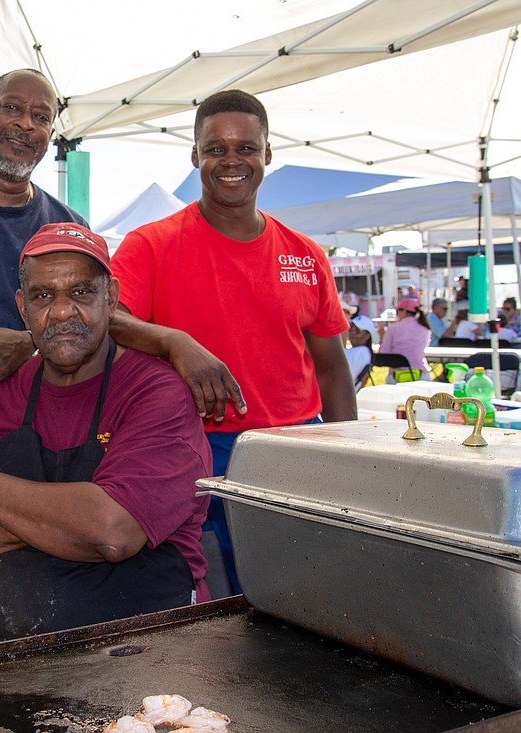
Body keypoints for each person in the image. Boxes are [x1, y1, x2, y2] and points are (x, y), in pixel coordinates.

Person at [0, 68, 240, 603]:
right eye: (12, 108)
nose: (25, 125)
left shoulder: (66, 223)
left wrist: (171, 341)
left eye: (41, 117)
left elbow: (92, 320)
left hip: (45, 447)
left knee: (52, 586)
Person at [0, 223, 211, 652]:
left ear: (113, 298)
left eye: (81, 292)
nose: (62, 311)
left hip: (138, 654)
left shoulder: (157, 394)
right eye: (43, 295)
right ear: (22, 308)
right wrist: (61, 526)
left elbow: (111, 532)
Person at [110, 89, 356, 597]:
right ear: (195, 156)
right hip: (191, 448)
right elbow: (106, 321)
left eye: (245, 148)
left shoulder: (305, 255)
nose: (231, 161)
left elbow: (332, 367)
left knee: (296, 596)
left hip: (294, 449)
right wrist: (176, 342)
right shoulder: (151, 244)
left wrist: (347, 459)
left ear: (267, 153)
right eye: (216, 149)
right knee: (200, 601)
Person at [379, 297, 431, 378]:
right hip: (420, 373)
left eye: (397, 311)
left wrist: (382, 337)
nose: (397, 314)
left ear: (404, 311)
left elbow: (383, 354)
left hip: (397, 375)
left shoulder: (393, 328)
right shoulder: (425, 328)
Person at [345, 314, 376, 386]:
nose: (352, 333)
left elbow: (347, 379)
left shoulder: (362, 352)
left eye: (357, 330)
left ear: (367, 335)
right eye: (351, 329)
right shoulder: (354, 350)